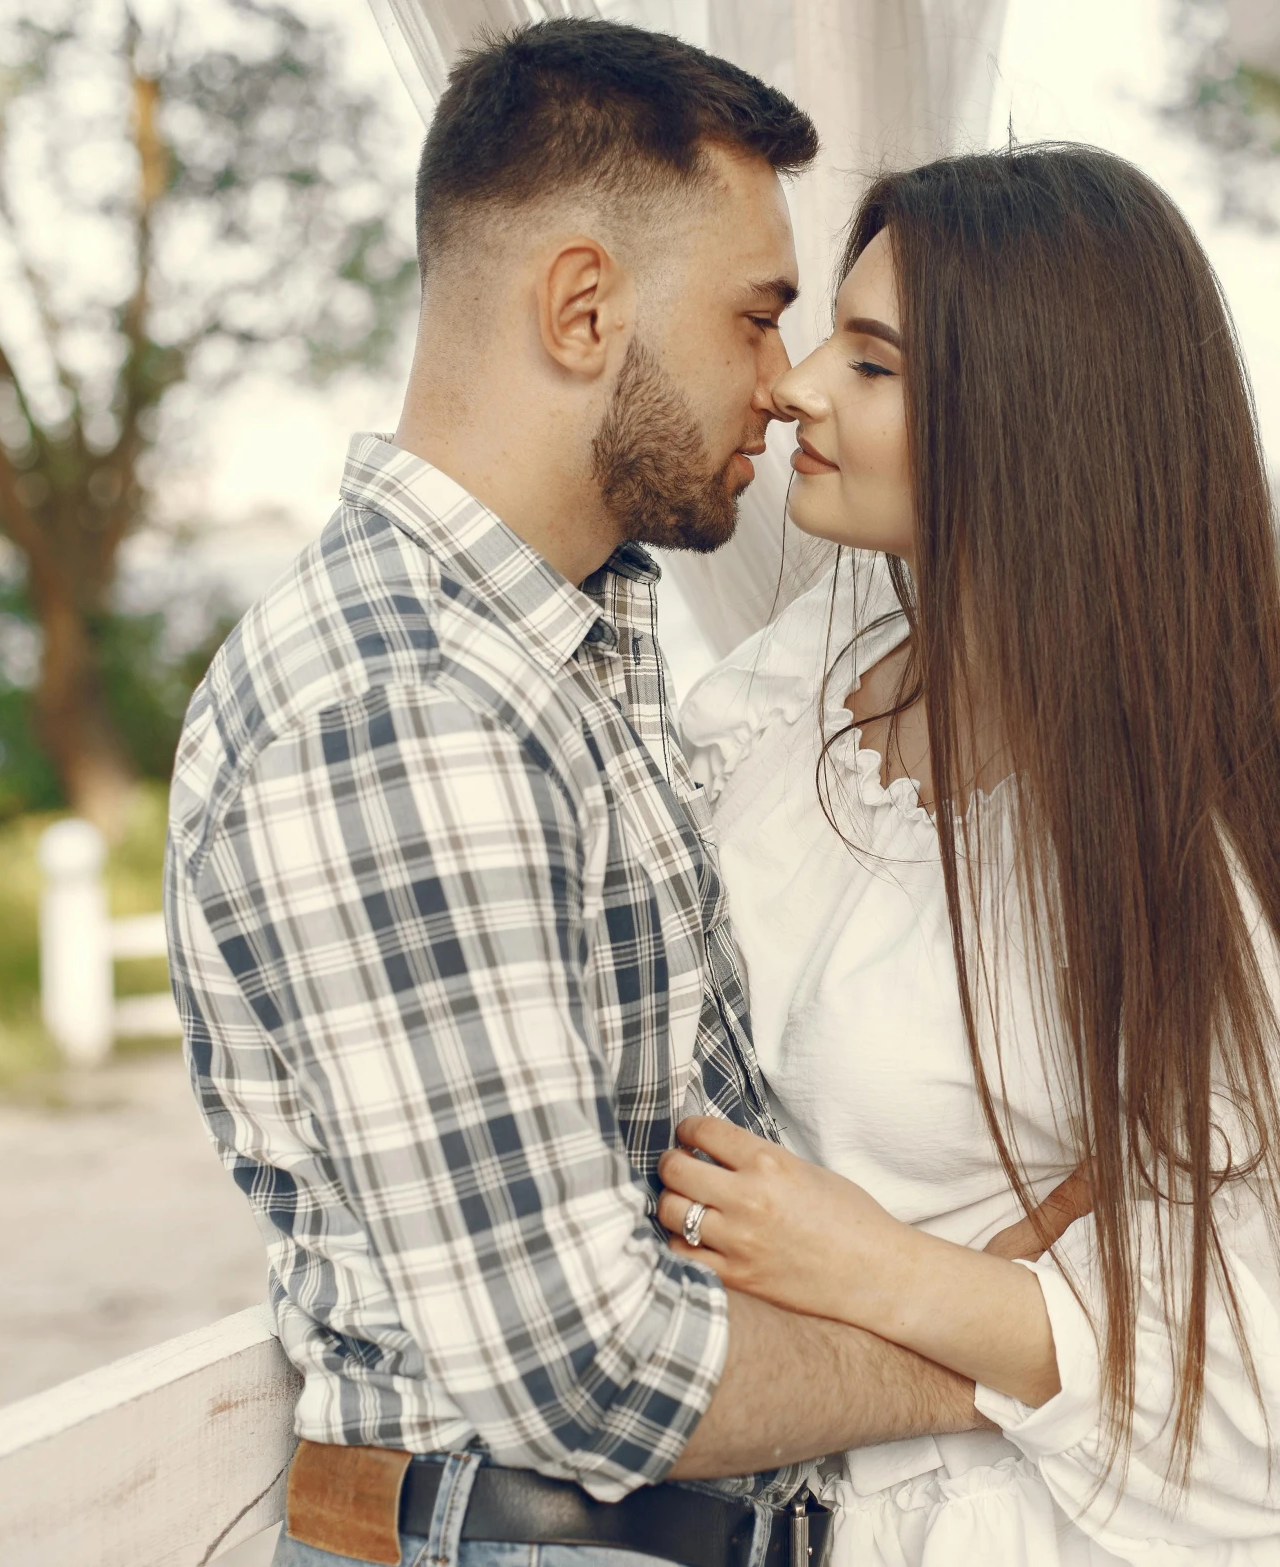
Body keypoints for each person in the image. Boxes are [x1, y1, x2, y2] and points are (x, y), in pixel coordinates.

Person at [164, 21, 1058, 1567]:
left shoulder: (567, 644)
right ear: (583, 308)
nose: (781, 391)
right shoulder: (406, 709)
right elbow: (588, 1368)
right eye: (756, 317)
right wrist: (1024, 1369)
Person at [659, 147, 1280, 1565]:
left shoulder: (1141, 852)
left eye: (871, 364)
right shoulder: (790, 692)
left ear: (1030, 421)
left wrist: (886, 1272)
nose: (796, 385)